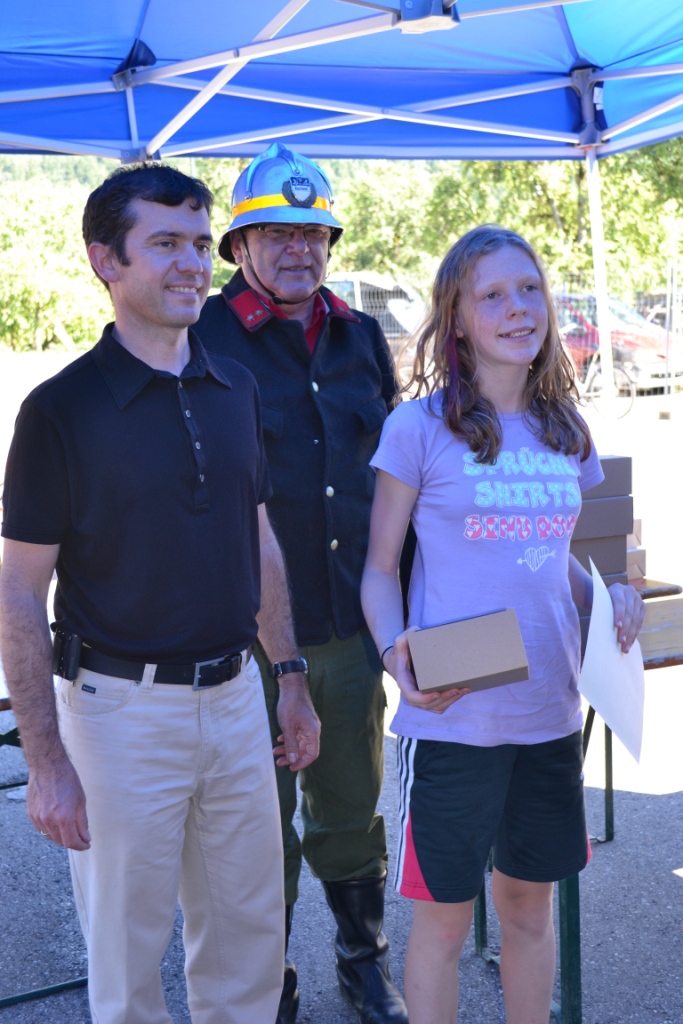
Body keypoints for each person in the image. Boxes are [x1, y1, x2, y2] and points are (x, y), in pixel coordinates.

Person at [0, 162, 320, 1024]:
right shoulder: (59, 411)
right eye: (166, 243)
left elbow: (258, 541)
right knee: (128, 960)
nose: (192, 264)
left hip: (237, 702)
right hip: (118, 716)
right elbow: (18, 593)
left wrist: (289, 676)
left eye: (201, 244)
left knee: (250, 947)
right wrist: (46, 764)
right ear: (106, 260)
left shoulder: (236, 387)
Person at [360, 225, 646, 1024]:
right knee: (444, 924)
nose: (517, 307)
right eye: (491, 295)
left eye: (528, 290)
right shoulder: (417, 428)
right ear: (455, 319)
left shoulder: (566, 429)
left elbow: (552, 558)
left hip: (548, 713)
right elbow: (379, 570)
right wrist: (393, 655)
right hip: (454, 718)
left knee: (527, 909)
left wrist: (608, 595)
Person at [197, 143, 408, 1024]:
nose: (298, 249)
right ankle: (266, 982)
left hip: (349, 623)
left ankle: (363, 965)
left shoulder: (361, 338)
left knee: (351, 812)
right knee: (252, 824)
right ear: (240, 247)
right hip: (244, 639)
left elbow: (395, 476)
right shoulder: (200, 337)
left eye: (313, 234)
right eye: (277, 234)